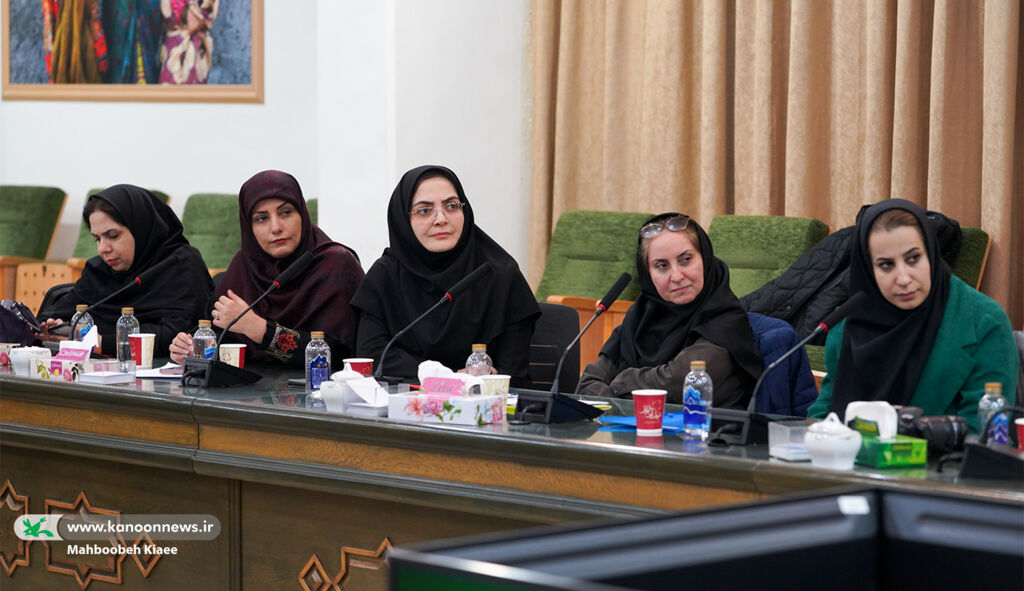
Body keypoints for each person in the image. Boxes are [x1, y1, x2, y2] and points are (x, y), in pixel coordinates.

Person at [808, 199, 1017, 431]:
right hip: (846, 453)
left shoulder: (984, 322)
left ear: (931, 253)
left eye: (913, 258)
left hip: (942, 455)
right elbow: (826, 410)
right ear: (867, 270)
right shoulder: (848, 325)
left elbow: (985, 433)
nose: (904, 278)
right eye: (886, 265)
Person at [351, 165, 540, 386]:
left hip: (483, 403)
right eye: (424, 210)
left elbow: (513, 375)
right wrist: (449, 378)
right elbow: (372, 356)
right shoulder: (385, 276)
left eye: (451, 206)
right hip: (401, 402)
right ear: (403, 220)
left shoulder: (499, 275)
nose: (441, 219)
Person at [169, 171, 364, 367]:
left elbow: (340, 354)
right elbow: (222, 335)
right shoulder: (244, 266)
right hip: (248, 386)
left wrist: (260, 329)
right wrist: (194, 347)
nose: (276, 227)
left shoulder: (336, 266)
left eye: (286, 212)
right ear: (249, 227)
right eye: (261, 218)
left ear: (302, 214)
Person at [577, 213, 763, 406]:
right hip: (630, 425)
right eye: (662, 266)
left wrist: (621, 383)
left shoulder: (726, 320)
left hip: (703, 425)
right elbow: (587, 384)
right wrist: (623, 398)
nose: (677, 276)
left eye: (686, 260)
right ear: (648, 274)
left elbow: (679, 382)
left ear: (705, 259)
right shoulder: (639, 317)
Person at [37, 185, 211, 356]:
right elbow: (58, 311)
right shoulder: (99, 270)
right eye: (97, 239)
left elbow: (178, 333)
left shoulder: (180, 264)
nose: (103, 249)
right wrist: (53, 327)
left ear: (140, 229)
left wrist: (104, 344)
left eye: (113, 236)